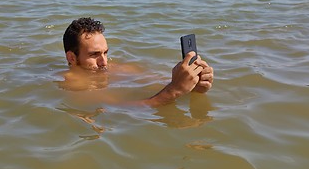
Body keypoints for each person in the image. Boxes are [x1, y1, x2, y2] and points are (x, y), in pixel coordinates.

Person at [61, 17, 213, 107]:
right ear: (71, 58)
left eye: (105, 53)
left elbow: (159, 85)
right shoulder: (73, 85)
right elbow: (121, 110)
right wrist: (175, 90)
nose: (103, 62)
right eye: (94, 55)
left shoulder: (117, 68)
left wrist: (193, 84)